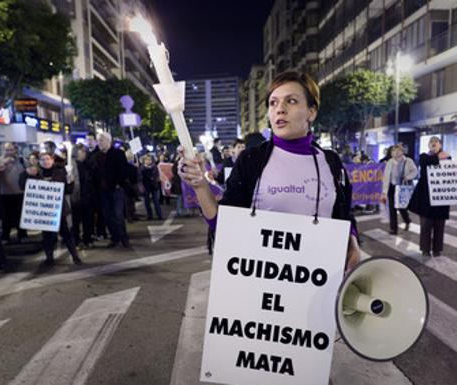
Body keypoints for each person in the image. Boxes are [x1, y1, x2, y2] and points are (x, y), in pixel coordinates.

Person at [178, 71, 361, 270]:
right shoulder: (250, 160)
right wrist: (200, 185)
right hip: (264, 284)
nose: (279, 109)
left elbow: (344, 216)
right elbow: (224, 223)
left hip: (319, 284)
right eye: (273, 103)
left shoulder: (331, 161)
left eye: (291, 101)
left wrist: (353, 243)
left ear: (311, 112)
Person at [21, 150, 82, 265]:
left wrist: (71, 181)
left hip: (59, 208)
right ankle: (49, 258)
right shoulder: (36, 172)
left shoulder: (60, 171)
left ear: (52, 160)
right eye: (43, 160)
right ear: (39, 161)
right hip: (44, 209)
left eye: (48, 159)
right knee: (47, 235)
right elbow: (22, 185)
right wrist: (26, 174)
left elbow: (68, 190)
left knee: (66, 233)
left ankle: (75, 256)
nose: (45, 162)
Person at [408, 136, 451, 257]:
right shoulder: (424, 157)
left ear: (440, 145)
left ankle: (437, 249)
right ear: (428, 145)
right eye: (431, 142)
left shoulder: (447, 157)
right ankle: (425, 249)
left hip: (441, 196)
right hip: (426, 197)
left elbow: (453, 172)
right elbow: (426, 163)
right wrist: (438, 157)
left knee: (439, 224)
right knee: (426, 224)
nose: (433, 143)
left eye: (436, 142)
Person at [93, 132, 130, 248]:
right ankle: (114, 238)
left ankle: (124, 238)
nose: (99, 143)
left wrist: (119, 183)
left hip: (116, 189)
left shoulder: (118, 154)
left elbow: (124, 170)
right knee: (107, 215)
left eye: (102, 140)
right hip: (103, 190)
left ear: (109, 141)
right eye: (98, 140)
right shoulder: (96, 156)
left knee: (118, 215)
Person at [381, 144, 417, 234]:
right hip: (392, 188)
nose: (396, 152)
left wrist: (408, 177)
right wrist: (384, 192)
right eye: (393, 151)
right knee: (392, 209)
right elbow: (386, 177)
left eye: (398, 150)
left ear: (402, 151)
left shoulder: (408, 161)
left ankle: (407, 220)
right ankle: (393, 229)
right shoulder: (390, 162)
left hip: (402, 187)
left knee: (401, 207)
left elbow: (415, 171)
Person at [0, 142, 27, 243]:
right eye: (7, 150)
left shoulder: (21, 160)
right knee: (6, 216)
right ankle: (5, 236)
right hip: (5, 193)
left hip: (20, 192)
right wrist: (4, 163)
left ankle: (22, 234)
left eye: (11, 150)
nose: (9, 152)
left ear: (15, 150)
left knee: (20, 215)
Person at [140, 154, 163, 220]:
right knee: (147, 202)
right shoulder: (142, 168)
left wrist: (155, 179)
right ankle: (150, 215)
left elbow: (157, 176)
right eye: (146, 160)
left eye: (149, 160)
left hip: (154, 186)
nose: (148, 161)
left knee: (156, 201)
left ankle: (159, 215)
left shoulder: (154, 167)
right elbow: (140, 177)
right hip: (146, 186)